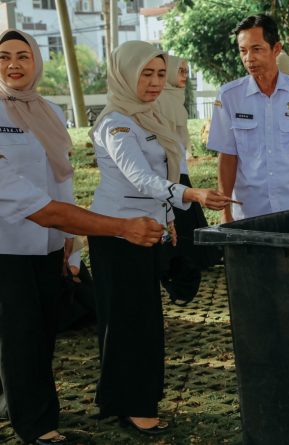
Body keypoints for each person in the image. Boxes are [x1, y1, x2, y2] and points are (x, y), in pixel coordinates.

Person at [0, 29, 161, 445]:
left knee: (41, 333)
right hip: (7, 243)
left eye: (22, 55)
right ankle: (36, 427)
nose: (14, 64)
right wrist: (117, 226)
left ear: (36, 61)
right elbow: (27, 200)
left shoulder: (49, 111)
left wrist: (71, 246)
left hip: (51, 241)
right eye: (3, 57)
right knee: (20, 335)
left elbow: (61, 178)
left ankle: (23, 407)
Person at [88, 40, 229, 435]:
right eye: (145, 74)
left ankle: (125, 400)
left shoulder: (147, 117)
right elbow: (141, 179)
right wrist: (191, 195)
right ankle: (133, 407)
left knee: (140, 319)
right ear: (124, 75)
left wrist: (168, 218)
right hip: (117, 234)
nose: (153, 83)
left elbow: (161, 176)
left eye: (159, 74)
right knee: (130, 321)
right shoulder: (116, 123)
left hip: (145, 230)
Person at [207, 14, 289, 223]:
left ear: (276, 49)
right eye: (243, 51)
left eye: (257, 49)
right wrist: (225, 212)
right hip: (249, 212)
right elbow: (227, 156)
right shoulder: (229, 96)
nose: (249, 58)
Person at [156, 55, 219, 304]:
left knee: (187, 220)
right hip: (167, 173)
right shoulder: (159, 100)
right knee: (180, 222)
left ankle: (190, 266)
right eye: (179, 70)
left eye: (185, 71)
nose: (183, 75)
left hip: (179, 169)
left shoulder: (175, 98)